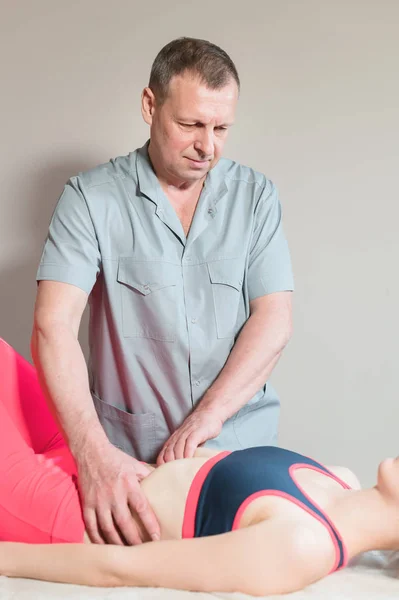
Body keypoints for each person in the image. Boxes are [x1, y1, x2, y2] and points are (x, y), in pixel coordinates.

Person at [31, 36, 294, 546]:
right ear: (150, 105)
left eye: (221, 129)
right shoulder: (89, 199)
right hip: (130, 464)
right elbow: (52, 326)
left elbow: (274, 320)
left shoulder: (256, 196)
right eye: (191, 125)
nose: (208, 146)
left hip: (238, 446)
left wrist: (208, 417)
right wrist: (91, 455)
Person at [1, 337, 399, 597]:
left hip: (71, 515)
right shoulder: (340, 478)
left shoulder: (304, 547)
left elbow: (122, 569)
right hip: (101, 470)